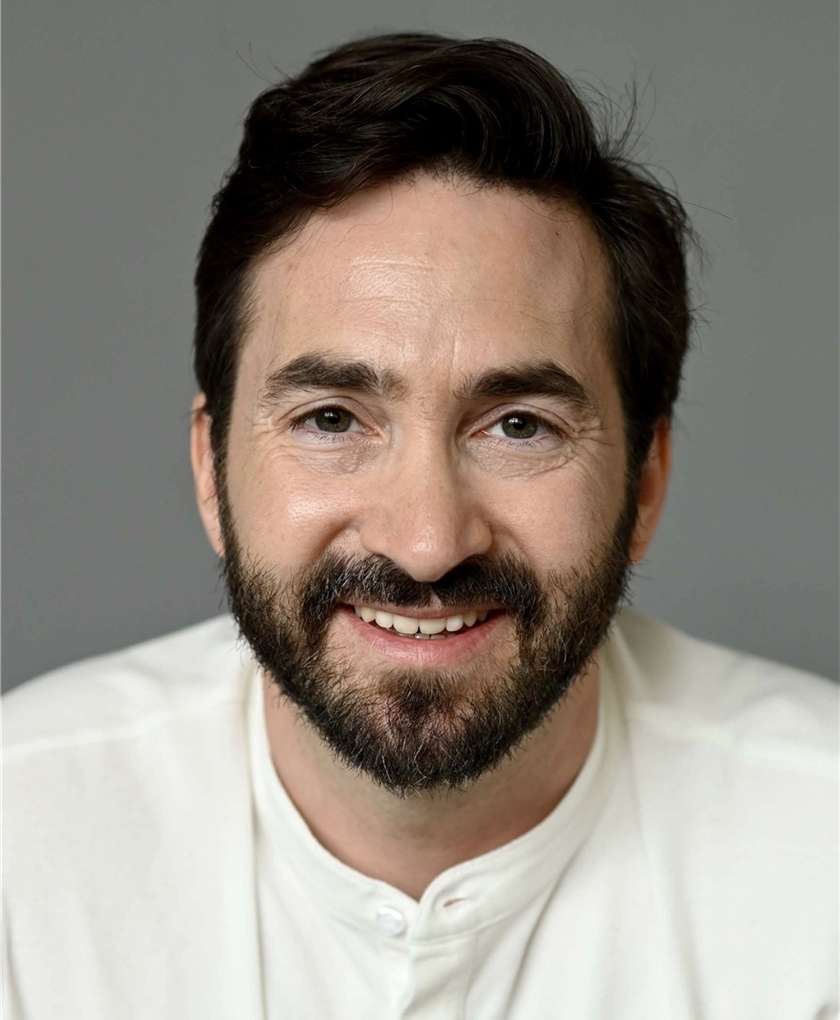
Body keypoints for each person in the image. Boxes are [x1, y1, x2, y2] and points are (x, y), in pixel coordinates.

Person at [3, 31, 837, 1020]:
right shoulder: (23, 847)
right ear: (211, 471)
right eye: (331, 420)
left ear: (645, 483)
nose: (427, 543)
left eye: (519, 426)